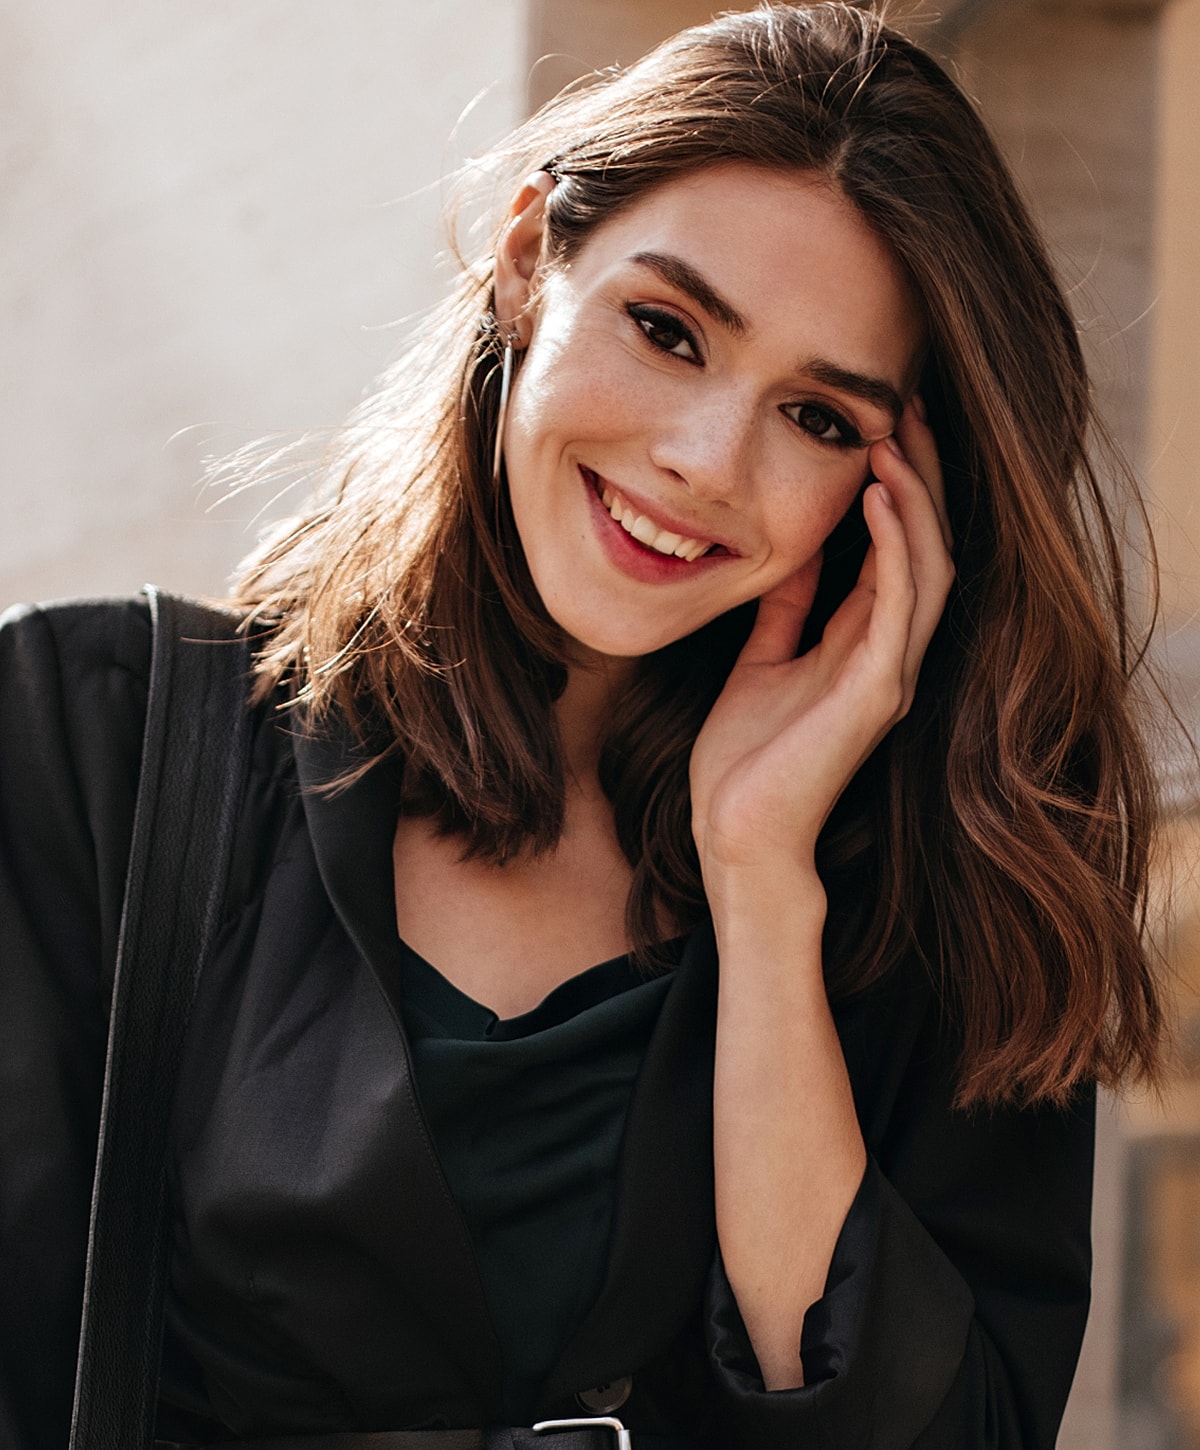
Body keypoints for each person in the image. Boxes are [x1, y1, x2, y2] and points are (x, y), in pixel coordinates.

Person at [0, 3, 1166, 1447]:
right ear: (523, 261)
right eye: (667, 331)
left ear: (896, 491)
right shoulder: (90, 749)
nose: (704, 464)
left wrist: (764, 885)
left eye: (817, 417)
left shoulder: (936, 889)